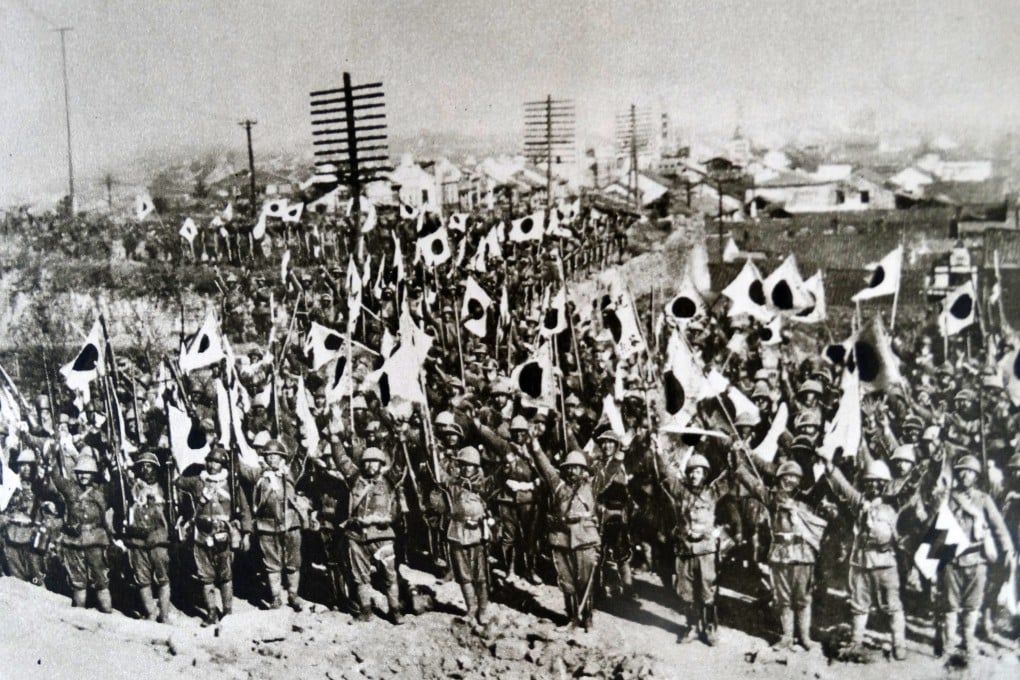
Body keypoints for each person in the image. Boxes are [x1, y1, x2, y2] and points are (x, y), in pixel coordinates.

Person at [735, 459, 827, 651]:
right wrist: (738, 463)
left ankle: (804, 637)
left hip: (803, 555)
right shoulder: (772, 498)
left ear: (799, 480)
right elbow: (753, 484)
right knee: (782, 599)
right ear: (779, 479)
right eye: (786, 477)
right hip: (780, 555)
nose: (790, 480)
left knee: (803, 598)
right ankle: (786, 637)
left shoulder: (807, 500)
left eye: (794, 477)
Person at [928, 454, 1014, 659]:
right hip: (952, 559)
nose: (965, 475)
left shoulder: (984, 500)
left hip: (977, 559)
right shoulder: (948, 498)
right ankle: (949, 644)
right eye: (962, 471)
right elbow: (936, 527)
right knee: (950, 604)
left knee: (973, 604)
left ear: (976, 476)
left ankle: (968, 640)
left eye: (970, 472)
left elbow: (998, 526)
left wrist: (1008, 549)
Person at [822, 456, 907, 660]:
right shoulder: (860, 504)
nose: (872, 486)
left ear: (884, 484)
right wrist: (830, 466)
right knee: (859, 604)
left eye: (876, 482)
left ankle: (899, 643)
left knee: (892, 605)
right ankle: (856, 642)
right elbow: (843, 487)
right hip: (861, 562)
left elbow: (902, 537)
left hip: (886, 563)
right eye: (868, 482)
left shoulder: (893, 509)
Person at [654, 448, 733, 646]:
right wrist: (658, 450)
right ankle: (691, 627)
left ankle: (709, 629)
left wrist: (734, 452)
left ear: (705, 474)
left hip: (706, 550)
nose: (693, 475)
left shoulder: (713, 492)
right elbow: (666, 473)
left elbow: (731, 475)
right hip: (685, 550)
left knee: (707, 591)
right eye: (691, 471)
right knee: (686, 591)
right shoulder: (680, 491)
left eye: (698, 472)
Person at [527, 446, 600, 630]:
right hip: (561, 540)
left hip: (584, 540)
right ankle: (573, 618)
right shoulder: (558, 485)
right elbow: (545, 467)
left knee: (585, 582)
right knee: (567, 583)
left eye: (577, 467)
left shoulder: (592, 486)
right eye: (569, 467)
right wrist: (536, 448)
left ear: (584, 470)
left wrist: (621, 451)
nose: (573, 471)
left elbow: (610, 469)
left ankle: (588, 617)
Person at [332, 445, 407, 624]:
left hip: (382, 536)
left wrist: (401, 439)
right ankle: (365, 611)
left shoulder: (389, 481)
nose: (370, 465)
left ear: (381, 464)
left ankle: (395, 610)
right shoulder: (355, 479)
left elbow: (400, 464)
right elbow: (342, 460)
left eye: (374, 462)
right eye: (366, 462)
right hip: (356, 536)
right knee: (359, 576)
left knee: (390, 576)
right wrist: (335, 441)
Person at [176, 447, 251, 625]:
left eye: (217, 462)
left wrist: (246, 534)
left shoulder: (231, 485)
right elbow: (177, 482)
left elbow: (244, 510)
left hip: (223, 535)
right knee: (205, 576)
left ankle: (227, 611)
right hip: (201, 534)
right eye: (210, 461)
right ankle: (211, 612)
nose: (212, 465)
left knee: (225, 575)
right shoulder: (197, 482)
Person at [238, 438, 309, 612]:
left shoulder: (290, 472)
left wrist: (304, 440)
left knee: (294, 562)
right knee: (272, 564)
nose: (272, 459)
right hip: (267, 526)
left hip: (291, 524)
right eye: (268, 455)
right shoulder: (258, 475)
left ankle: (293, 595)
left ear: (282, 458)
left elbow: (301, 458)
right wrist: (229, 445)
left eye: (275, 455)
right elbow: (240, 468)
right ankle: (276, 597)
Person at [50, 453, 115, 612]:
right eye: (81, 472)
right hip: (74, 541)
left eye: (88, 472)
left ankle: (108, 618)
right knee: (78, 585)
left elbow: (119, 482)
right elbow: (55, 478)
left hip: (96, 541)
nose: (84, 476)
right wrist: (53, 453)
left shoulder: (102, 491)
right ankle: (79, 622)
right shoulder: (70, 488)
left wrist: (112, 464)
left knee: (101, 583)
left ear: (94, 474)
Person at [440, 445, 493, 624]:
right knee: (464, 575)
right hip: (457, 533)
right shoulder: (453, 484)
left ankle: (483, 609)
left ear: (476, 466)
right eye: (462, 464)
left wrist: (482, 518)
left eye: (469, 465)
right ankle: (471, 608)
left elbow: (492, 506)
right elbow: (438, 473)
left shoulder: (484, 485)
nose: (465, 468)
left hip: (477, 533)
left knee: (480, 575)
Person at [117, 452, 172, 623]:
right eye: (142, 466)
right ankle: (150, 612)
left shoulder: (166, 488)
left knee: (163, 579)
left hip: (158, 539)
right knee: (143, 580)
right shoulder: (132, 487)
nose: (145, 469)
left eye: (149, 466)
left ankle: (164, 614)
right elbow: (121, 475)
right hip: (137, 539)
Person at [1, 449, 46, 585]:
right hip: (11, 534)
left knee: (37, 577)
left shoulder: (41, 486)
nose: (26, 468)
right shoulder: (11, 483)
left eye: (29, 465)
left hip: (32, 537)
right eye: (22, 465)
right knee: (17, 579)